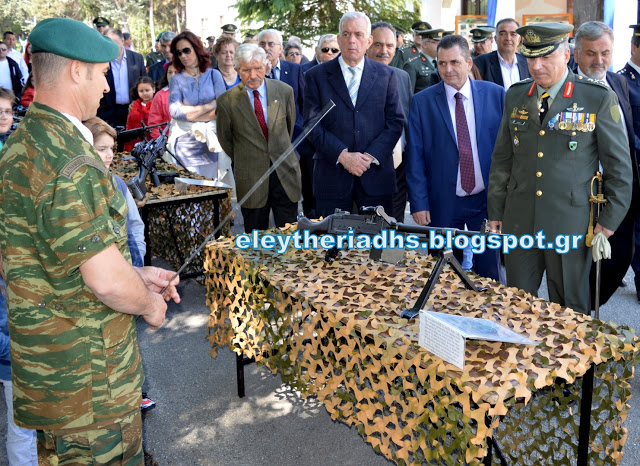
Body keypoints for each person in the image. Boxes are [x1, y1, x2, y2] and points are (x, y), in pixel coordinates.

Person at [0, 17, 180, 464]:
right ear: (76, 71)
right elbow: (105, 282)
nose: (105, 86)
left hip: (51, 375)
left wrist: (134, 272)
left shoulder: (21, 146)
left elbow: (37, 259)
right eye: (101, 72)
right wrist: (147, 302)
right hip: (91, 385)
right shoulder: (72, 162)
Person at [487, 23, 632, 314]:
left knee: (569, 306)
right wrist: (496, 212)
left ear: (566, 55)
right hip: (521, 219)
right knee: (517, 303)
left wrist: (610, 220)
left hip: (571, 222)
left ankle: (574, 360)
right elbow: (503, 159)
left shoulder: (596, 98)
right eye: (530, 58)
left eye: (546, 58)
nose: (537, 66)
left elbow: (619, 167)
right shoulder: (516, 95)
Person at [406, 34, 505, 281]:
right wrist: (419, 202)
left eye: (455, 62)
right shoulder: (422, 102)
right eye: (441, 63)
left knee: (489, 271)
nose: (448, 69)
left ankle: (487, 317)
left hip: (485, 202)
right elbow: (415, 155)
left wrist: (506, 201)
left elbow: (508, 153)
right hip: (443, 202)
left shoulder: (497, 95)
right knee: (443, 272)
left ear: (469, 63)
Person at [304, 11, 404, 217]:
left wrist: (369, 157)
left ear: (368, 41)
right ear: (339, 39)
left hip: (375, 177)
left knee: (376, 245)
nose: (352, 40)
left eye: (358, 35)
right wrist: (343, 156)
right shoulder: (316, 76)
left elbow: (395, 122)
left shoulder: (387, 76)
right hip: (332, 178)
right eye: (346, 34)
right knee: (331, 245)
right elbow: (312, 124)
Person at [571, 22, 640, 307]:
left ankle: (589, 306)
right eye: (591, 53)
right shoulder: (567, 89)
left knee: (619, 257)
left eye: (605, 53)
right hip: (581, 196)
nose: (599, 61)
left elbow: (626, 137)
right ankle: (578, 317)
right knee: (578, 269)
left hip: (620, 191)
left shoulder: (618, 82)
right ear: (576, 55)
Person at [217, 44, 301, 232]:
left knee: (289, 235)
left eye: (258, 68)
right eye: (246, 70)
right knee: (256, 239)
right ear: (237, 70)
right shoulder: (226, 101)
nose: (253, 75)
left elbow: (288, 128)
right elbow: (226, 140)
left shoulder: (284, 91)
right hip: (251, 177)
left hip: (284, 174)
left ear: (267, 65)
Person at [366, 22, 413, 222]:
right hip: (368, 169)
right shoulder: (357, 78)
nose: (384, 51)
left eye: (390, 46)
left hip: (399, 172)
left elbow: (406, 121)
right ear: (367, 44)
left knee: (395, 230)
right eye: (378, 44)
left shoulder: (402, 77)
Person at [168, 30, 226, 179]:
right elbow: (175, 112)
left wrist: (189, 113)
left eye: (186, 50)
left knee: (211, 190)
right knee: (190, 195)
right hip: (185, 145)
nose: (183, 56)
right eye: (178, 52)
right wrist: (208, 106)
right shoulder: (176, 80)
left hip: (211, 143)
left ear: (197, 49)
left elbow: (222, 108)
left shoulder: (214, 75)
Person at [98, 28, 147, 128]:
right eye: (108, 43)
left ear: (122, 41)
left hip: (132, 110)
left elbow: (144, 83)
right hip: (109, 113)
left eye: (114, 42)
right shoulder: (101, 61)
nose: (111, 46)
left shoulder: (137, 58)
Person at [474, 18, 530, 89]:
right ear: (495, 39)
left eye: (513, 34)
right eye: (502, 34)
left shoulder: (527, 63)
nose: (508, 38)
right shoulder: (481, 63)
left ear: (519, 40)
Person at [404, 28, 442, 93]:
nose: (439, 46)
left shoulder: (441, 63)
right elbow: (408, 94)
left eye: (440, 42)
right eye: (435, 42)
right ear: (424, 44)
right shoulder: (412, 65)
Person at [124, 76, 156, 152]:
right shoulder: (134, 106)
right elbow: (129, 125)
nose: (144, 93)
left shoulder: (157, 105)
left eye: (147, 90)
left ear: (153, 89)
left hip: (152, 142)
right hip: (135, 143)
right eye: (141, 91)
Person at [149, 62, 176, 139]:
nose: (172, 75)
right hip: (167, 143)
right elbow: (154, 124)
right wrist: (161, 141)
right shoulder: (160, 96)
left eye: (176, 72)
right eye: (170, 72)